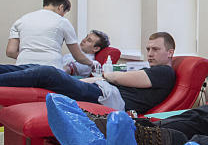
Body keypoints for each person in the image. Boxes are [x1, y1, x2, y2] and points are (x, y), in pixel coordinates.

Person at [0, 32, 177, 114]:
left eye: (155, 49)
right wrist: (89, 81)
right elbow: (113, 78)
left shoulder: (164, 73)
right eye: (148, 49)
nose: (150, 53)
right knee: (36, 69)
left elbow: (117, 77)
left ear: (170, 52)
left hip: (107, 98)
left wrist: (103, 77)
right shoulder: (153, 70)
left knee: (48, 73)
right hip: (101, 90)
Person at [5, 0, 95, 71]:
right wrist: (92, 64)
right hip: (51, 69)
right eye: (64, 13)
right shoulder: (63, 22)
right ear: (61, 7)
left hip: (23, 68)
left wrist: (30, 58)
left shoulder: (21, 20)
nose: (63, 15)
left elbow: (10, 52)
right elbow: (78, 56)